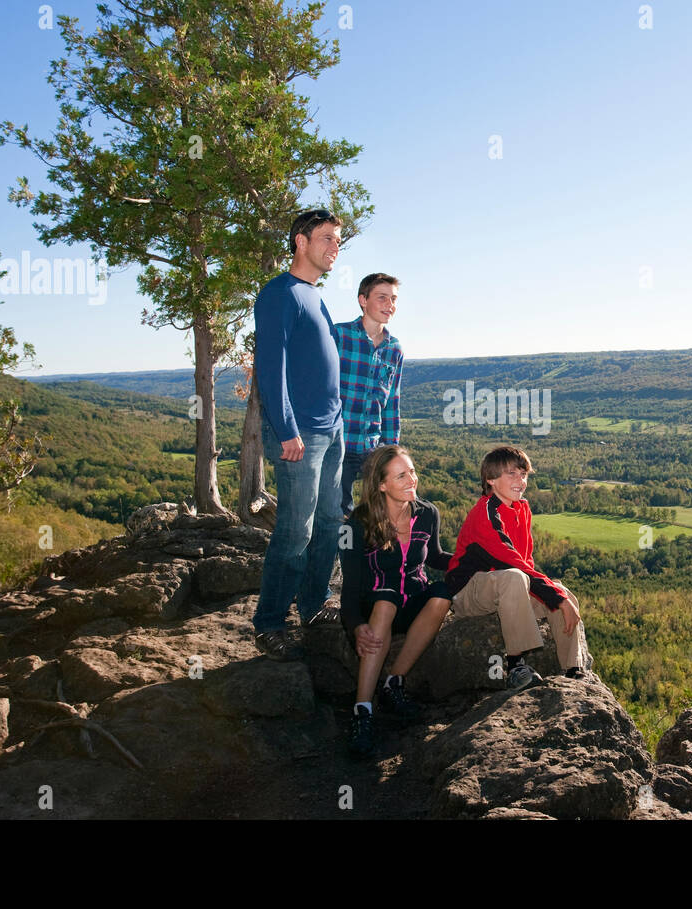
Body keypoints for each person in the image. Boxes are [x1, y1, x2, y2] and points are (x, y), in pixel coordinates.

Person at [250, 209, 345, 658]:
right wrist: (287, 430)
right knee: (295, 530)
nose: (334, 247)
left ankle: (311, 604)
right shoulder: (279, 294)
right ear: (300, 241)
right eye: (327, 238)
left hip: (332, 428)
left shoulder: (314, 295)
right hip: (300, 435)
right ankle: (269, 622)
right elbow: (271, 370)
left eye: (337, 240)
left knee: (329, 523)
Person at [340, 445, 453, 758]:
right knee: (387, 600)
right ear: (381, 484)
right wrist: (356, 626)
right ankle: (362, 711)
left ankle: (393, 682)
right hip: (375, 604)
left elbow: (436, 557)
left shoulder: (427, 513)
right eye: (401, 475)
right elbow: (350, 589)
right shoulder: (355, 525)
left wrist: (473, 560)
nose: (412, 480)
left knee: (442, 594)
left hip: (412, 600)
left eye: (412, 472)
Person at [446, 445, 587, 690]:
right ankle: (516, 665)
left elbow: (526, 561)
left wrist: (558, 595)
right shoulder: (486, 514)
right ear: (490, 479)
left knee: (559, 589)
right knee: (518, 578)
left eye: (523, 474)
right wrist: (556, 598)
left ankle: (573, 669)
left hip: (506, 590)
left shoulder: (521, 509)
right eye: (511, 474)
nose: (520, 480)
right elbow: (512, 563)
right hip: (467, 592)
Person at [333, 273, 404, 518]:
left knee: (379, 513)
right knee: (336, 511)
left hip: (373, 448)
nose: (390, 305)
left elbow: (392, 403)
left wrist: (391, 449)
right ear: (363, 300)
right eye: (382, 297)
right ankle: (334, 556)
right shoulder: (339, 336)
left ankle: (370, 557)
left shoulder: (394, 349)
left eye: (393, 299)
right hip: (336, 444)